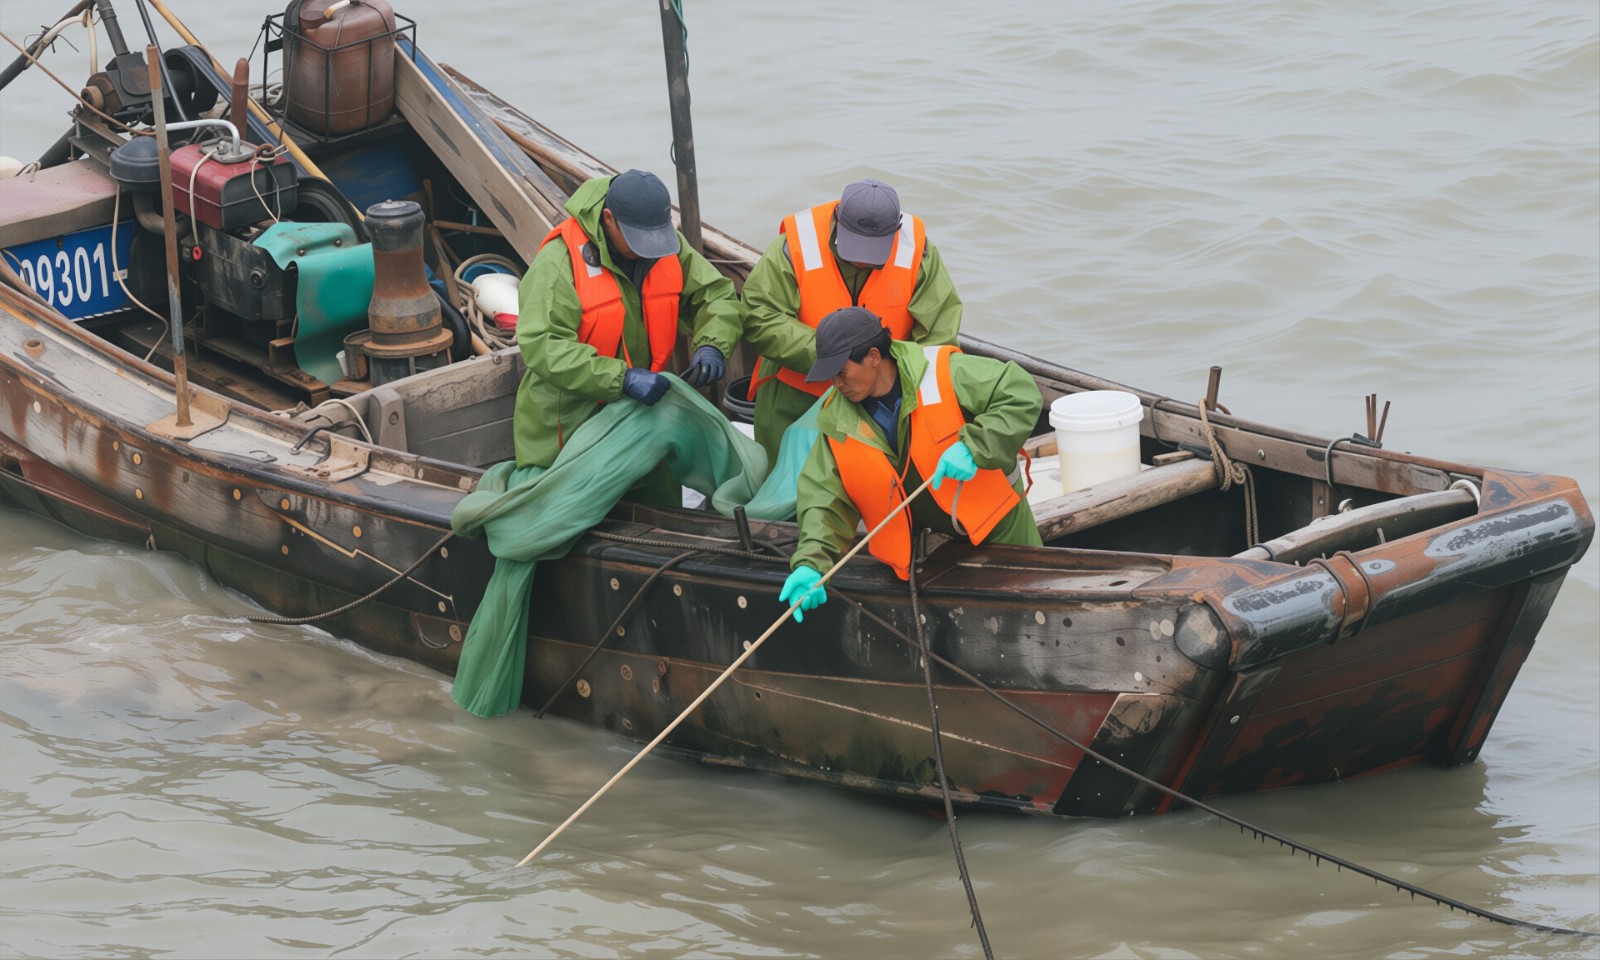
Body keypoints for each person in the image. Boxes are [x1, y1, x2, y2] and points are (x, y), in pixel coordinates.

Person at [778, 307, 1043, 620]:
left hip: (998, 530)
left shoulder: (942, 373)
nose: (836, 384)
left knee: (1030, 616)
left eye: (841, 372)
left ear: (873, 356)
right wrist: (811, 564)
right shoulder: (837, 419)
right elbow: (824, 497)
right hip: (926, 554)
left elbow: (1019, 393)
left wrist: (974, 446)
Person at [513, 169, 741, 503]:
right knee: (572, 518)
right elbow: (543, 344)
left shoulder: (667, 248)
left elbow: (716, 295)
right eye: (638, 240)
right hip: (570, 429)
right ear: (609, 219)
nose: (648, 250)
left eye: (655, 239)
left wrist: (713, 346)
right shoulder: (558, 263)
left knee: (660, 510)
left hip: (644, 417)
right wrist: (622, 379)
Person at [741, 178, 963, 466]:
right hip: (794, 397)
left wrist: (888, 376)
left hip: (879, 402)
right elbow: (760, 315)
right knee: (786, 482)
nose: (862, 260)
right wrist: (834, 356)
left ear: (895, 232)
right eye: (854, 248)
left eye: (873, 252)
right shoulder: (795, 245)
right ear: (837, 220)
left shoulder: (919, 253)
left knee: (869, 482)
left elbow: (938, 335)